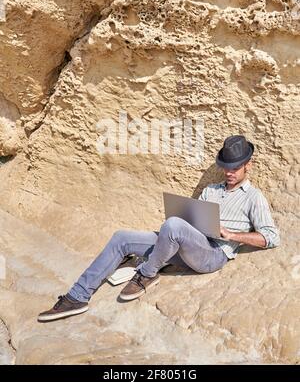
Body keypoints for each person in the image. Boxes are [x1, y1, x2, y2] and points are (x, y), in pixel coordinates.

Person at [38, 135, 280, 322]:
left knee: (173, 225)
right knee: (122, 237)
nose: (229, 172)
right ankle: (76, 298)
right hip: (189, 244)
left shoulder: (253, 197)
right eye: (226, 166)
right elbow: (191, 222)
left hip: (213, 255)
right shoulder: (211, 190)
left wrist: (231, 235)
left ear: (248, 165)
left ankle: (147, 272)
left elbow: (271, 237)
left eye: (235, 167)